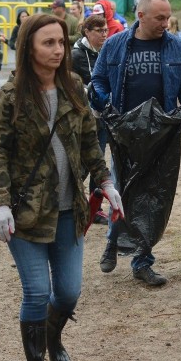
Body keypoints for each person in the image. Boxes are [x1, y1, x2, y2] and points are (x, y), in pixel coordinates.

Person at [0, 13, 123, 361]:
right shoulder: (10, 96)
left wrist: (106, 181)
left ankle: (54, 336)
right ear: (28, 47)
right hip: (25, 211)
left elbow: (89, 139)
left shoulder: (74, 85)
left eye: (61, 42)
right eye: (48, 43)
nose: (58, 50)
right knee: (36, 291)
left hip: (68, 210)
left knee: (67, 293)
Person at [90, 0, 181, 286]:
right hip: (125, 132)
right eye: (160, 18)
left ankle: (142, 261)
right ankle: (113, 242)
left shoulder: (176, 46)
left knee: (154, 197)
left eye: (167, 17)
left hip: (162, 132)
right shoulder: (114, 45)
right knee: (122, 189)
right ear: (141, 16)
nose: (166, 22)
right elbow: (98, 80)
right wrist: (101, 103)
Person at [71, 14, 111, 225]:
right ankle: (74, 202)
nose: (104, 35)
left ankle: (95, 207)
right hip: (84, 118)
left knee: (99, 161)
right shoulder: (76, 55)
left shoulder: (105, 51)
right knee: (83, 163)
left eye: (105, 30)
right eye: (99, 31)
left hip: (103, 115)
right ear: (87, 32)